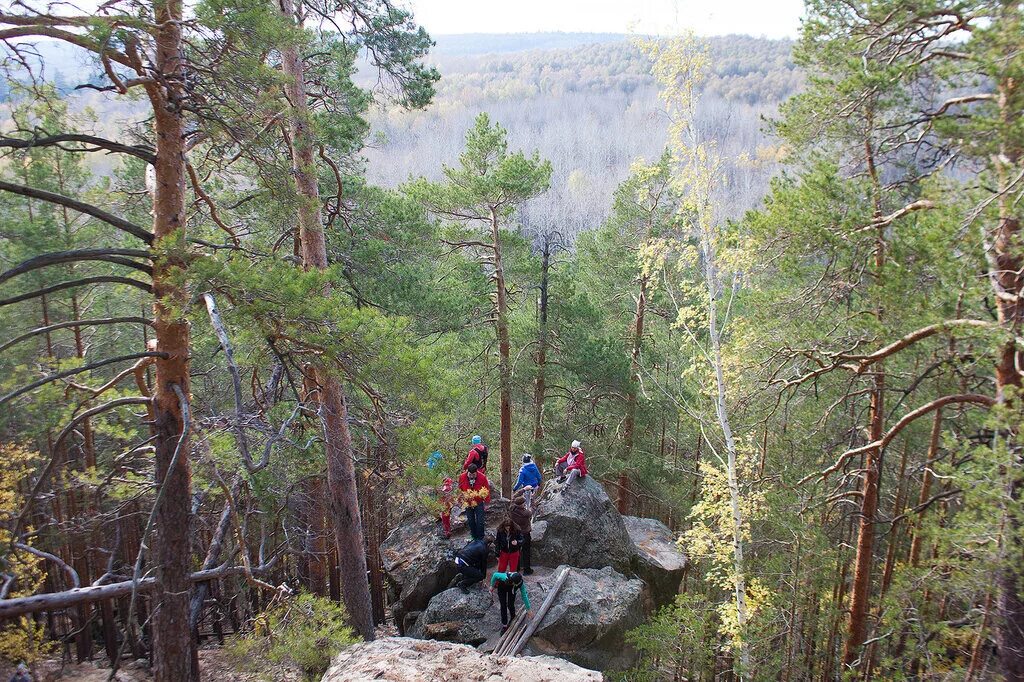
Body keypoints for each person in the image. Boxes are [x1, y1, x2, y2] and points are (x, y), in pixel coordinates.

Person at [459, 463, 491, 540]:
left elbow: (487, 490)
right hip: (468, 502)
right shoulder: (462, 477)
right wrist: (460, 499)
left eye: (473, 475)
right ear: (467, 472)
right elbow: (460, 489)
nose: (472, 476)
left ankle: (480, 537)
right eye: (470, 474)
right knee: (470, 520)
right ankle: (474, 536)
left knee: (480, 521)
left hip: (479, 502)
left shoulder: (482, 477)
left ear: (476, 472)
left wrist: (486, 503)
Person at [509, 488, 534, 574]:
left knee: (516, 551)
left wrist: (523, 489)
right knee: (526, 551)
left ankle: (516, 568)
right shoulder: (526, 513)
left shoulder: (512, 508)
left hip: (515, 533)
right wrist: (532, 502)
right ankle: (527, 570)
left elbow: (514, 497)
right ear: (523, 504)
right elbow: (532, 510)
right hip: (525, 534)